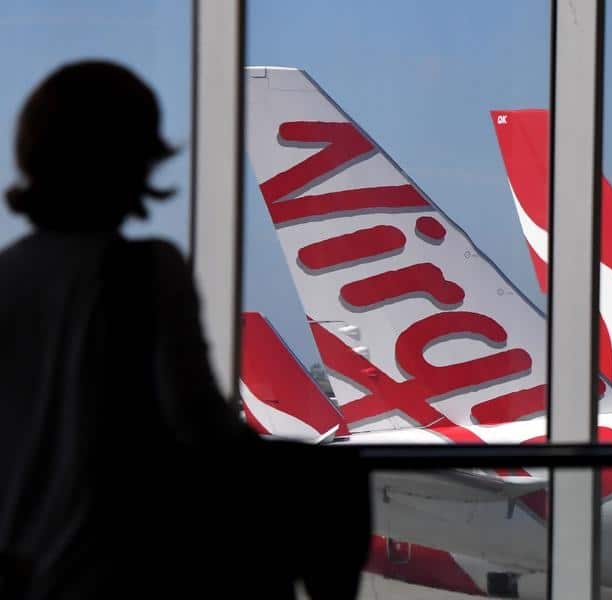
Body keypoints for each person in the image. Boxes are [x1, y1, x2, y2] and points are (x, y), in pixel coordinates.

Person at [0, 60, 370, 599]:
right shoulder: (144, 271)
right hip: (121, 568)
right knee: (330, 478)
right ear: (137, 163)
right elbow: (201, 428)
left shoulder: (9, 278)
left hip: (26, 573)